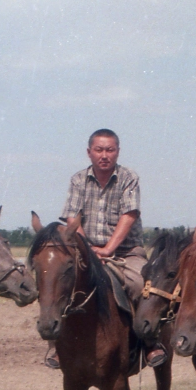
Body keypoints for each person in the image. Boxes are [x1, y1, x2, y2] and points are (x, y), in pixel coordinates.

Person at [51, 128, 164, 367]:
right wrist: (89, 250)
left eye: (110, 150)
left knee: (139, 285)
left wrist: (108, 249)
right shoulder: (78, 179)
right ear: (89, 152)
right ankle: (57, 344)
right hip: (86, 249)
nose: (105, 155)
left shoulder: (128, 177)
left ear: (118, 152)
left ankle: (150, 342)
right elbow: (72, 218)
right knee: (61, 282)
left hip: (126, 251)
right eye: (99, 150)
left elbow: (129, 214)